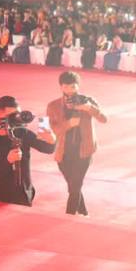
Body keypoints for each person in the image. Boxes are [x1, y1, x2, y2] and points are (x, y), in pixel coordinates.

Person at [0, 96, 56, 206]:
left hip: (23, 197)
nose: (18, 118)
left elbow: (48, 149)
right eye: (13, 116)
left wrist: (51, 139)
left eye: (18, 114)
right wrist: (8, 161)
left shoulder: (22, 133)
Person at [47, 71, 107, 216]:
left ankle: (69, 216)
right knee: (74, 187)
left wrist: (89, 108)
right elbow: (44, 129)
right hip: (63, 152)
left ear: (78, 86)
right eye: (66, 87)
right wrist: (68, 124)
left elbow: (104, 119)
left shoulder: (88, 101)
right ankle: (84, 212)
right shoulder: (52, 105)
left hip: (84, 151)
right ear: (61, 87)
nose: (70, 90)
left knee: (75, 186)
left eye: (73, 87)